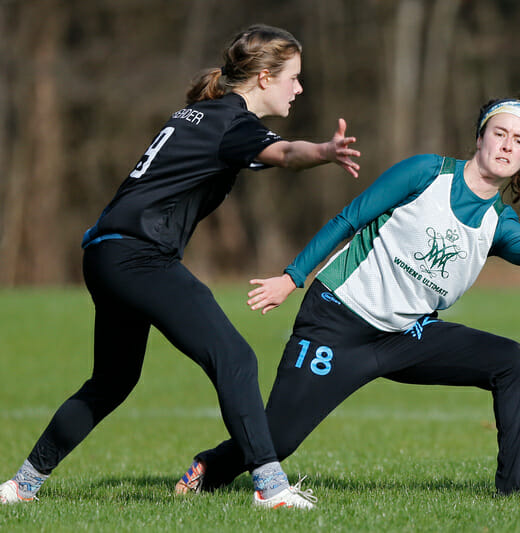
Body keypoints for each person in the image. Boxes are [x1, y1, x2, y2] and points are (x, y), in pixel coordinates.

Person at [175, 98, 520, 499]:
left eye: (519, 141)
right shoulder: (425, 173)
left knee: (512, 361)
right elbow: (349, 218)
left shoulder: (497, 222)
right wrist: (291, 278)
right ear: (480, 138)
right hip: (338, 320)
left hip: (406, 335)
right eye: (500, 134)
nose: (507, 145)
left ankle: (518, 486)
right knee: (280, 438)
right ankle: (209, 468)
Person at [0, 24, 360, 510]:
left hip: (103, 253)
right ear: (263, 78)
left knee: (112, 381)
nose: (299, 88)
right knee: (235, 358)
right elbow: (286, 153)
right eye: (293, 78)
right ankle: (272, 490)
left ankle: (21, 486)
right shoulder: (233, 124)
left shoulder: (200, 114)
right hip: (139, 257)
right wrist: (324, 151)